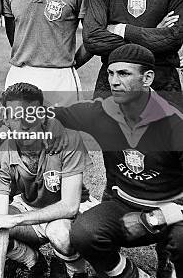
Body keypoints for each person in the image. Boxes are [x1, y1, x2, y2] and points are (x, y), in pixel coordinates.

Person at [81, 0, 182, 276]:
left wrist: (121, 30)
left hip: (166, 86)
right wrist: (150, 37)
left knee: (168, 167)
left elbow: (176, 38)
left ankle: (169, 248)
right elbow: (92, 38)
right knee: (118, 165)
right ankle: (107, 235)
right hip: (114, 89)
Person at [43, 44, 183, 278]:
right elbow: (45, 114)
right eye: (110, 73)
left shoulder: (175, 125)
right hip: (123, 204)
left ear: (147, 78)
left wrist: (153, 218)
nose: (114, 81)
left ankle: (171, 264)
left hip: (169, 210)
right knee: (84, 232)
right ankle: (131, 275)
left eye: (124, 74)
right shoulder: (102, 112)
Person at [0, 83, 93, 278]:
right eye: (14, 117)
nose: (23, 124)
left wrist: (16, 219)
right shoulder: (1, 151)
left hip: (67, 212)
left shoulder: (67, 140)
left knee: (60, 234)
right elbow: (0, 219)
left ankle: (77, 271)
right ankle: (32, 260)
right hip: (30, 206)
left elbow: (70, 206)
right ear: (6, 120)